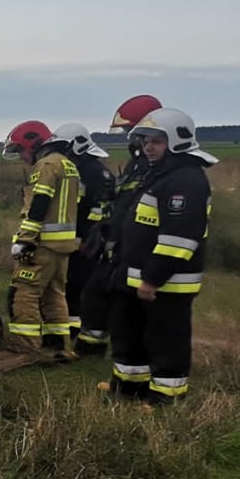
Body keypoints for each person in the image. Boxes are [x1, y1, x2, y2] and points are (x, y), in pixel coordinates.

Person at [105, 107, 216, 404]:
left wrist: (152, 280)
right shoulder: (159, 174)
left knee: (166, 340)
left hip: (167, 284)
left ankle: (166, 398)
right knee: (130, 335)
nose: (148, 147)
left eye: (156, 141)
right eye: (145, 141)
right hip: (138, 278)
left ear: (177, 141)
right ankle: (129, 388)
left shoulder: (186, 180)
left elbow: (179, 240)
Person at [74, 95, 164, 357]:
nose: (130, 138)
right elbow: (124, 201)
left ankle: (120, 353)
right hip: (118, 242)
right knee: (95, 294)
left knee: (123, 304)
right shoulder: (137, 164)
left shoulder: (156, 166)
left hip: (140, 248)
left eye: (131, 131)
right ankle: (90, 349)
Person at [0, 120, 81, 369]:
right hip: (63, 246)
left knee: (24, 293)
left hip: (41, 245)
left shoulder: (45, 166)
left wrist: (26, 240)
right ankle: (58, 348)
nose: (22, 158)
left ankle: (26, 349)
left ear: (34, 144)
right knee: (54, 295)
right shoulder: (67, 165)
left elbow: (39, 204)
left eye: (21, 151)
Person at [48, 123, 115, 343]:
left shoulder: (89, 172)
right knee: (76, 285)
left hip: (87, 241)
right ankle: (74, 329)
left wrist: (84, 240)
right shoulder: (93, 169)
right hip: (90, 239)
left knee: (76, 285)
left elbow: (94, 211)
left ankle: (75, 330)